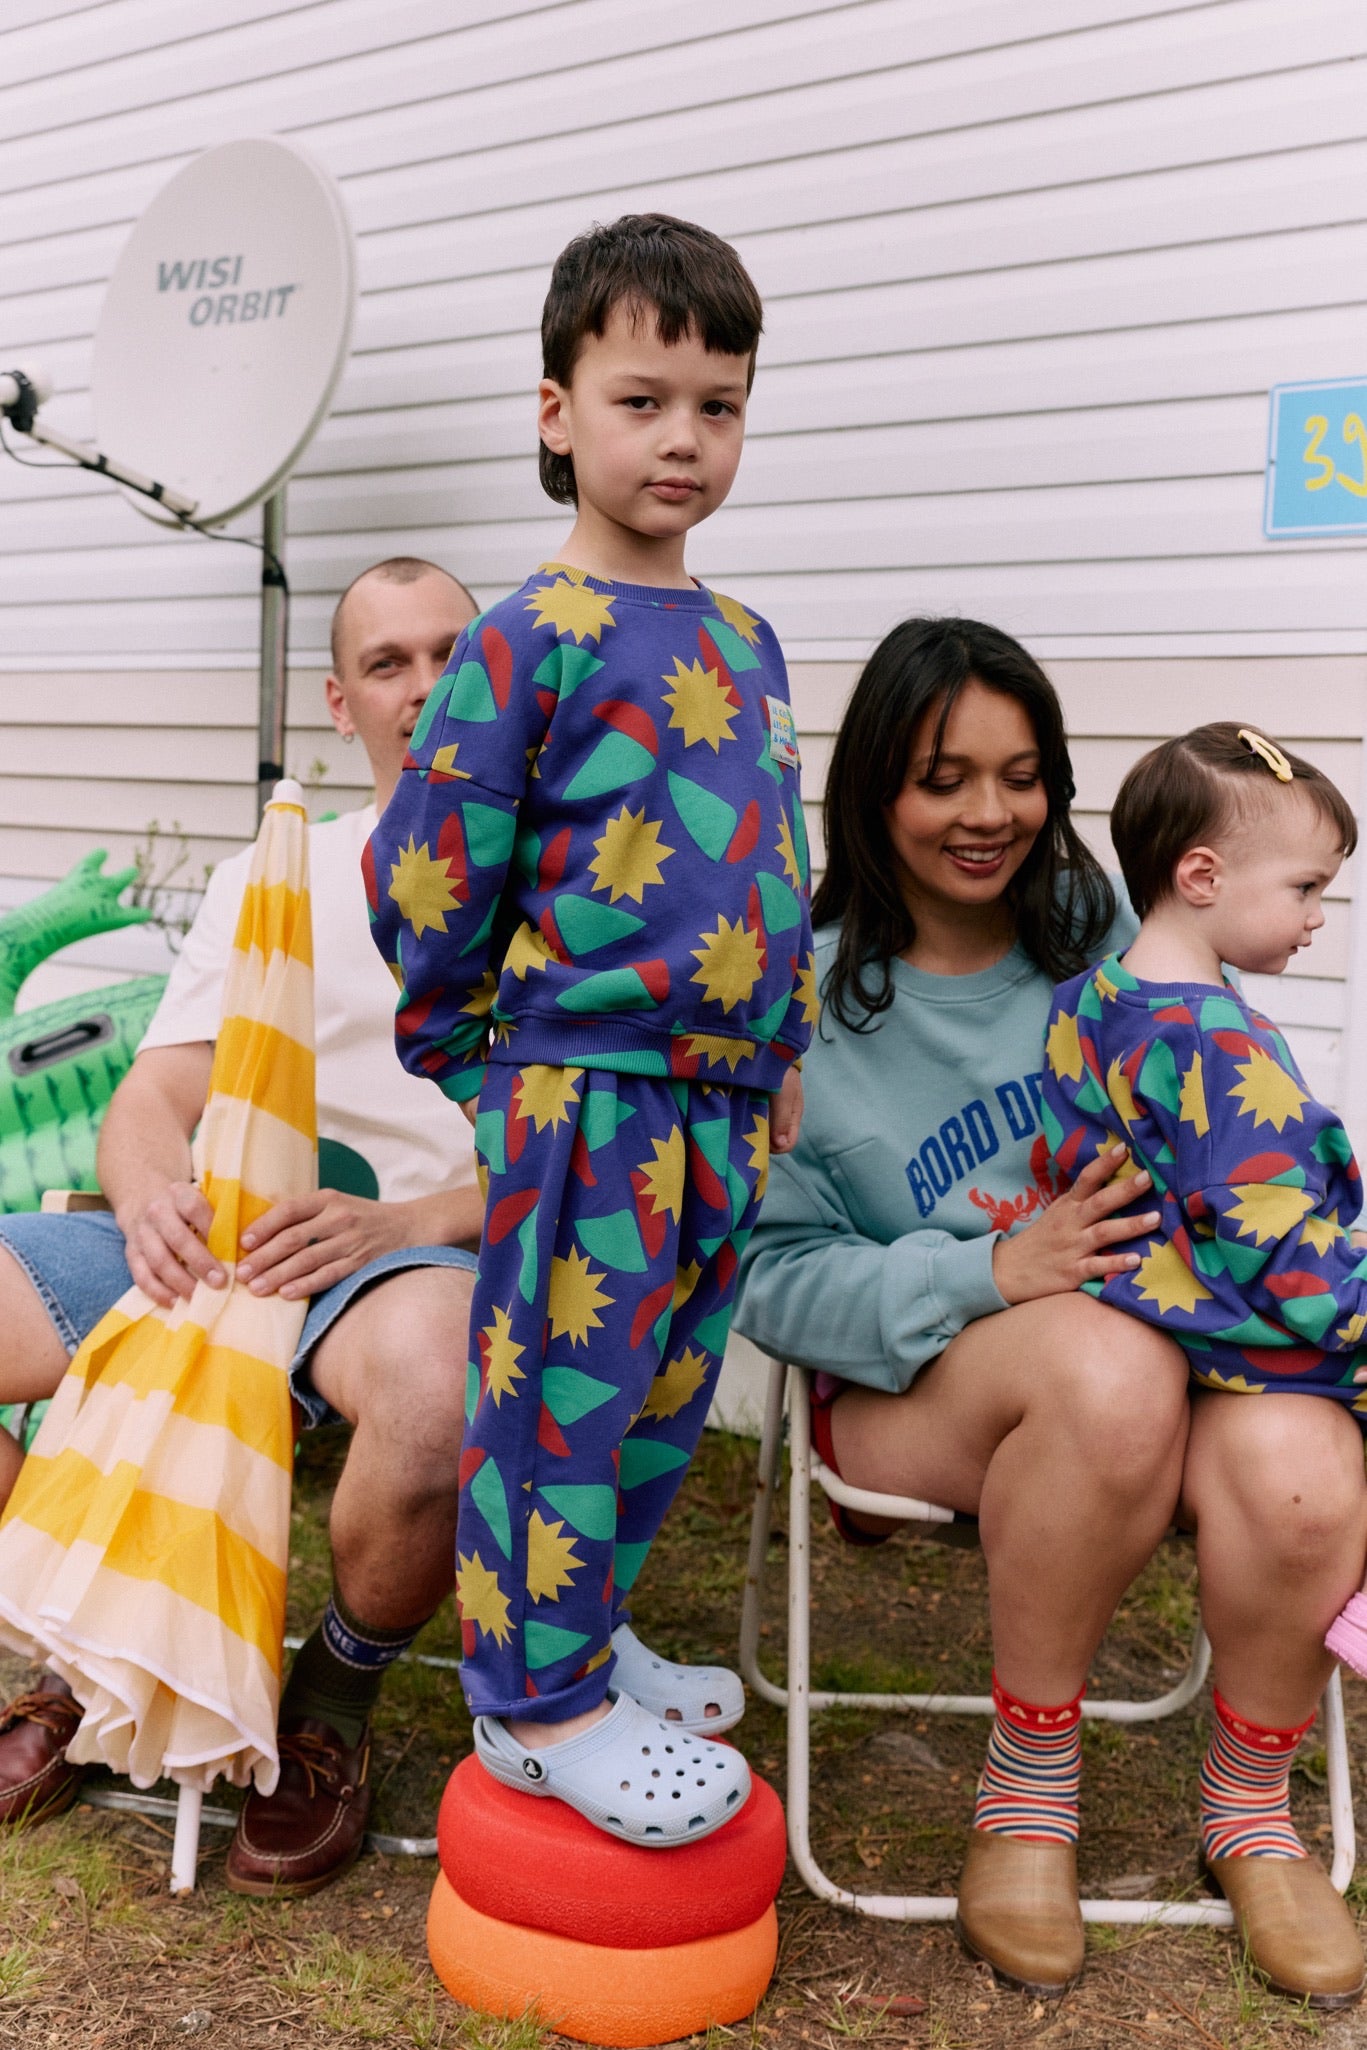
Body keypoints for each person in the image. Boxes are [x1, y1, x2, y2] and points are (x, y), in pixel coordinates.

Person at [367, 213, 812, 1847]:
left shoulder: (746, 642)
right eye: (642, 399)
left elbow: (774, 859)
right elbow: (428, 868)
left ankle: (590, 1634)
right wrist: (477, 1063)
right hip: (583, 1086)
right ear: (556, 410)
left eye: (720, 403)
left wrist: (782, 1055)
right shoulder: (526, 639)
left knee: (661, 1391)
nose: (684, 437)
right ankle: (535, 1710)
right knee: (558, 1392)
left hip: (721, 1101)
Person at [0, 557, 488, 1897]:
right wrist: (153, 1195)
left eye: (453, 652)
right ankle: (93, 1648)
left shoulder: (560, 890)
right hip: (210, 1241)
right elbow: (157, 1091)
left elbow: (574, 1163)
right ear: (341, 701)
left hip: (399, 1255)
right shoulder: (279, 870)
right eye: (388, 663)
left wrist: (395, 1224)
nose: (425, 685)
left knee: (441, 1382)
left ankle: (330, 1694)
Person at [733, 617, 1201, 1998]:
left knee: (1256, 1423)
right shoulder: (797, 997)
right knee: (1106, 1375)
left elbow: (1209, 1125)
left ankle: (1256, 1798)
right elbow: (765, 1275)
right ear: (874, 788)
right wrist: (982, 1273)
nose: (987, 813)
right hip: (905, 1381)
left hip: (1130, 1341)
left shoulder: (1100, 939)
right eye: (941, 778)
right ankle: (1028, 1784)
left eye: (1018, 774)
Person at [1041, 723, 1367, 1948]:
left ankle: (1253, 1808)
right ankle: (1252, 1789)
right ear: (1198, 876)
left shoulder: (1095, 1006)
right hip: (1249, 1331)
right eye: (1304, 890)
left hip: (1157, 1318)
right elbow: (1279, 1256)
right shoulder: (1216, 1043)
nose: (1313, 920)